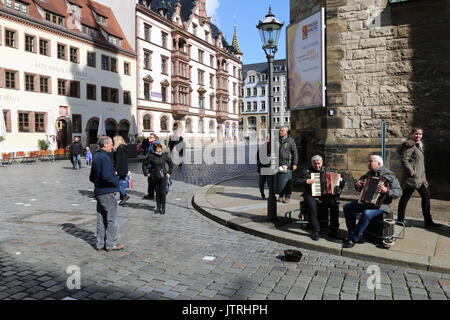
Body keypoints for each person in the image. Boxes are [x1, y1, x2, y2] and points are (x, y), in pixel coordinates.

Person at [342, 155, 402, 248]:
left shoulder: (389, 175)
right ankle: (354, 234)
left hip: (381, 205)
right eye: (368, 161)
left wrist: (387, 191)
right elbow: (360, 185)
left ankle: (354, 238)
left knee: (366, 213)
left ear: (378, 164)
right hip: (366, 202)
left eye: (371, 161)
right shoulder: (369, 174)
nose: (368, 163)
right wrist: (357, 184)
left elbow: (399, 192)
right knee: (347, 207)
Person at [397, 128, 442, 229]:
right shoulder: (410, 145)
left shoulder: (418, 145)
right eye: (416, 134)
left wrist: (423, 177)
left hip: (421, 179)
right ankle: (400, 220)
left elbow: (419, 164)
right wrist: (412, 172)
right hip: (412, 179)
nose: (418, 136)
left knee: (424, 198)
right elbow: (404, 160)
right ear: (411, 134)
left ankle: (428, 221)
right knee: (405, 198)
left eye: (420, 134)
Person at [297, 155, 345, 241]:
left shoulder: (327, 170)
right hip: (311, 194)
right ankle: (316, 230)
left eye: (319, 163)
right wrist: (305, 181)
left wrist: (341, 181)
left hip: (325, 196)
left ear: (322, 163)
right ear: (312, 163)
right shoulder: (306, 171)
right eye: (315, 164)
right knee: (312, 205)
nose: (317, 166)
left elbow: (338, 184)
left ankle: (334, 231)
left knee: (334, 204)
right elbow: (297, 182)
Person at [89, 136, 124, 252]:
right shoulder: (104, 157)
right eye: (111, 144)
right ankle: (111, 244)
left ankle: (100, 244)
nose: (112, 146)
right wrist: (116, 182)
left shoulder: (97, 156)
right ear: (105, 145)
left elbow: (92, 177)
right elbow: (106, 176)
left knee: (101, 219)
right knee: (112, 219)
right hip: (107, 192)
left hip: (99, 191)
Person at [142, 143, 174, 215]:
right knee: (157, 193)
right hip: (155, 176)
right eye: (157, 148)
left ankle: (163, 208)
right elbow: (144, 164)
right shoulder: (151, 156)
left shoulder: (164, 156)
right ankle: (158, 208)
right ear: (155, 149)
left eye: (160, 148)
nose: (159, 149)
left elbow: (171, 164)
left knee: (162, 193)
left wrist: (169, 172)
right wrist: (147, 173)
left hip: (163, 177)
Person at [278, 127, 298, 203]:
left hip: (287, 164)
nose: (280, 132)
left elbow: (295, 153)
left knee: (287, 181)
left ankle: (287, 196)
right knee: (280, 180)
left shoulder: (290, 141)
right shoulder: (278, 140)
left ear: (286, 132)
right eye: (280, 130)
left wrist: (295, 164)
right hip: (279, 163)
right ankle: (280, 195)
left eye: (282, 130)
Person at [113, 136, 130, 206]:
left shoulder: (119, 149)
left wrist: (116, 170)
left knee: (117, 185)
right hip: (124, 169)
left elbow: (118, 161)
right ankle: (122, 199)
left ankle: (125, 195)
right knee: (121, 184)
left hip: (119, 169)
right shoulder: (124, 148)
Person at [143, 134, 161, 200]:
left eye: (151, 137)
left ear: (155, 138)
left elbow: (157, 155)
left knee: (154, 180)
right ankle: (151, 194)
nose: (149, 138)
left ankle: (157, 195)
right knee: (150, 179)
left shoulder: (156, 144)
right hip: (150, 165)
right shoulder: (151, 144)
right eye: (149, 137)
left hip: (154, 165)